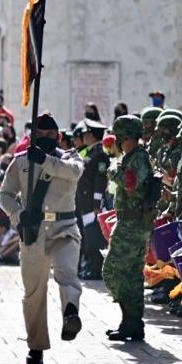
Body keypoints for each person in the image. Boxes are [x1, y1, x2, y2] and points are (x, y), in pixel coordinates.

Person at [0, 113, 84, 364]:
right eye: (41, 135)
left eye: (51, 135)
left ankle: (71, 314)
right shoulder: (21, 162)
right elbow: (5, 194)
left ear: (58, 136)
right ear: (32, 136)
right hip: (33, 231)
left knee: (67, 273)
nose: (46, 138)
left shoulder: (70, 159)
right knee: (33, 292)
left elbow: (73, 173)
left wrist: (44, 160)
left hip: (64, 228)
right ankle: (36, 345)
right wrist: (18, 214)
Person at [102, 115, 155, 342]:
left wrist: (113, 169)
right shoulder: (132, 157)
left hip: (133, 224)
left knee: (112, 270)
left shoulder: (138, 158)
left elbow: (131, 184)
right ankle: (131, 324)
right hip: (129, 222)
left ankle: (131, 321)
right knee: (132, 276)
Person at [74, 119, 109, 280]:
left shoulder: (100, 155)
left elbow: (100, 181)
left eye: (87, 134)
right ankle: (91, 265)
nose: (85, 136)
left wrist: (97, 203)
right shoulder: (90, 152)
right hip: (84, 200)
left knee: (93, 236)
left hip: (91, 202)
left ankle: (96, 269)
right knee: (87, 235)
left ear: (93, 135)